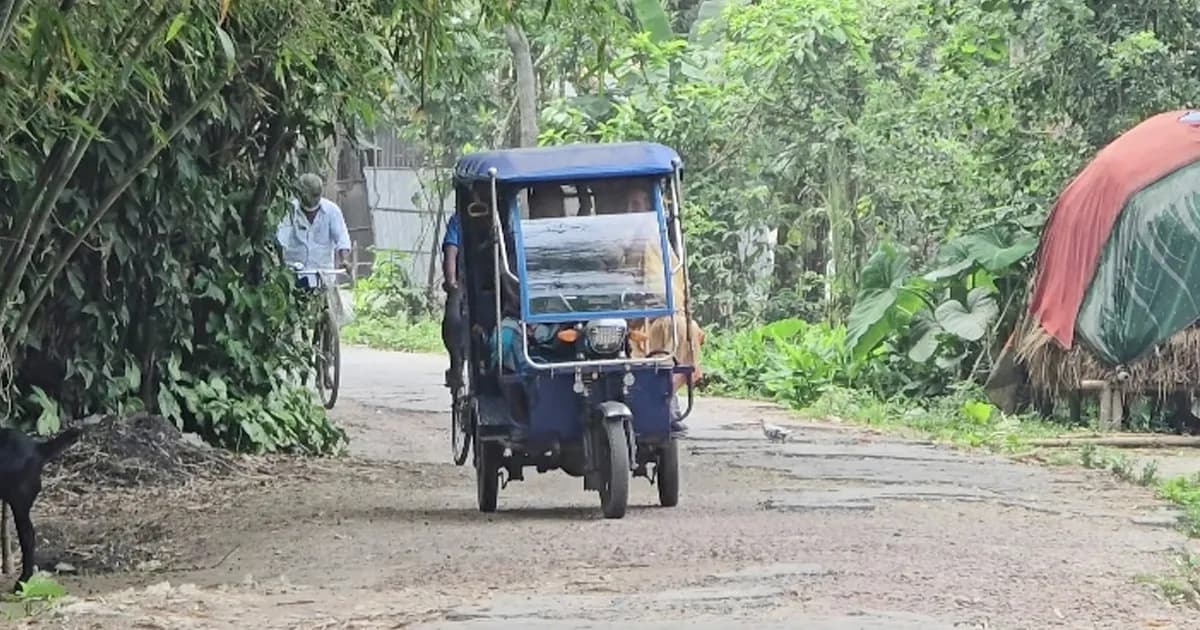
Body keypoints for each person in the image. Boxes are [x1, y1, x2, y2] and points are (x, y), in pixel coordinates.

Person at [619, 185, 705, 434]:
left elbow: (674, 282)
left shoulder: (660, 240)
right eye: (631, 207)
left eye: (640, 206)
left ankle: (666, 402)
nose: (636, 212)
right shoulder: (620, 236)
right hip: (629, 319)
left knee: (686, 330)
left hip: (662, 316)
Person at [277, 173, 353, 281]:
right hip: (295, 276)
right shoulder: (289, 211)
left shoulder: (332, 211)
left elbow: (342, 238)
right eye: (312, 195)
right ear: (301, 194)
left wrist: (345, 260)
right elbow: (281, 240)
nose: (315, 199)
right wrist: (280, 265)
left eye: (317, 195)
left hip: (323, 277)